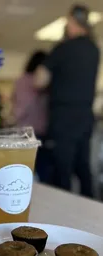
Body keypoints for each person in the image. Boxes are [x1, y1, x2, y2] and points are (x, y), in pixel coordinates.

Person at [35, 4, 100, 198]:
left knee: (62, 170)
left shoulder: (63, 48)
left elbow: (39, 80)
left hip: (63, 116)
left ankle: (65, 219)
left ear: (72, 21)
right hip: (85, 116)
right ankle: (93, 216)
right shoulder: (94, 49)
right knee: (83, 167)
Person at [12, 50, 51, 183]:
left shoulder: (21, 81)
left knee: (26, 171)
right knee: (42, 170)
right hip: (38, 131)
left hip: (25, 130)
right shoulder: (37, 83)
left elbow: (20, 107)